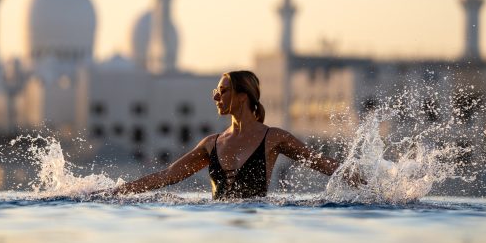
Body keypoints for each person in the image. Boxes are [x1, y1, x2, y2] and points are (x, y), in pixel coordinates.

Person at [110, 70, 359, 199]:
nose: (216, 97)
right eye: (215, 92)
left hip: (256, 225)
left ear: (242, 96)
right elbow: (167, 176)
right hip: (218, 227)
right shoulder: (211, 144)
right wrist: (115, 193)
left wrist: (370, 185)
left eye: (222, 91)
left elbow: (322, 163)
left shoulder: (273, 138)